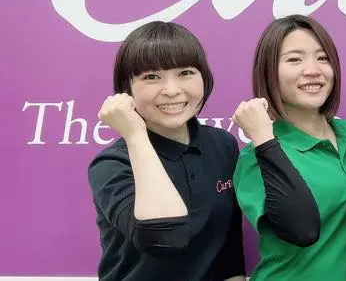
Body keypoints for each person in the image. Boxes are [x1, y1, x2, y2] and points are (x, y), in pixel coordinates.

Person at [87, 21, 246, 281]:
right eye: (151, 77)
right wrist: (135, 135)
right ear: (127, 89)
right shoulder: (112, 164)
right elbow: (165, 238)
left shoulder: (223, 145)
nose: (172, 90)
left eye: (185, 73)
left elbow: (229, 251)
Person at [232, 14, 346, 281]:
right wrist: (265, 139)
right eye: (294, 60)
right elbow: (301, 229)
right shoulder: (257, 155)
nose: (313, 70)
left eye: (322, 58)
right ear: (269, 71)